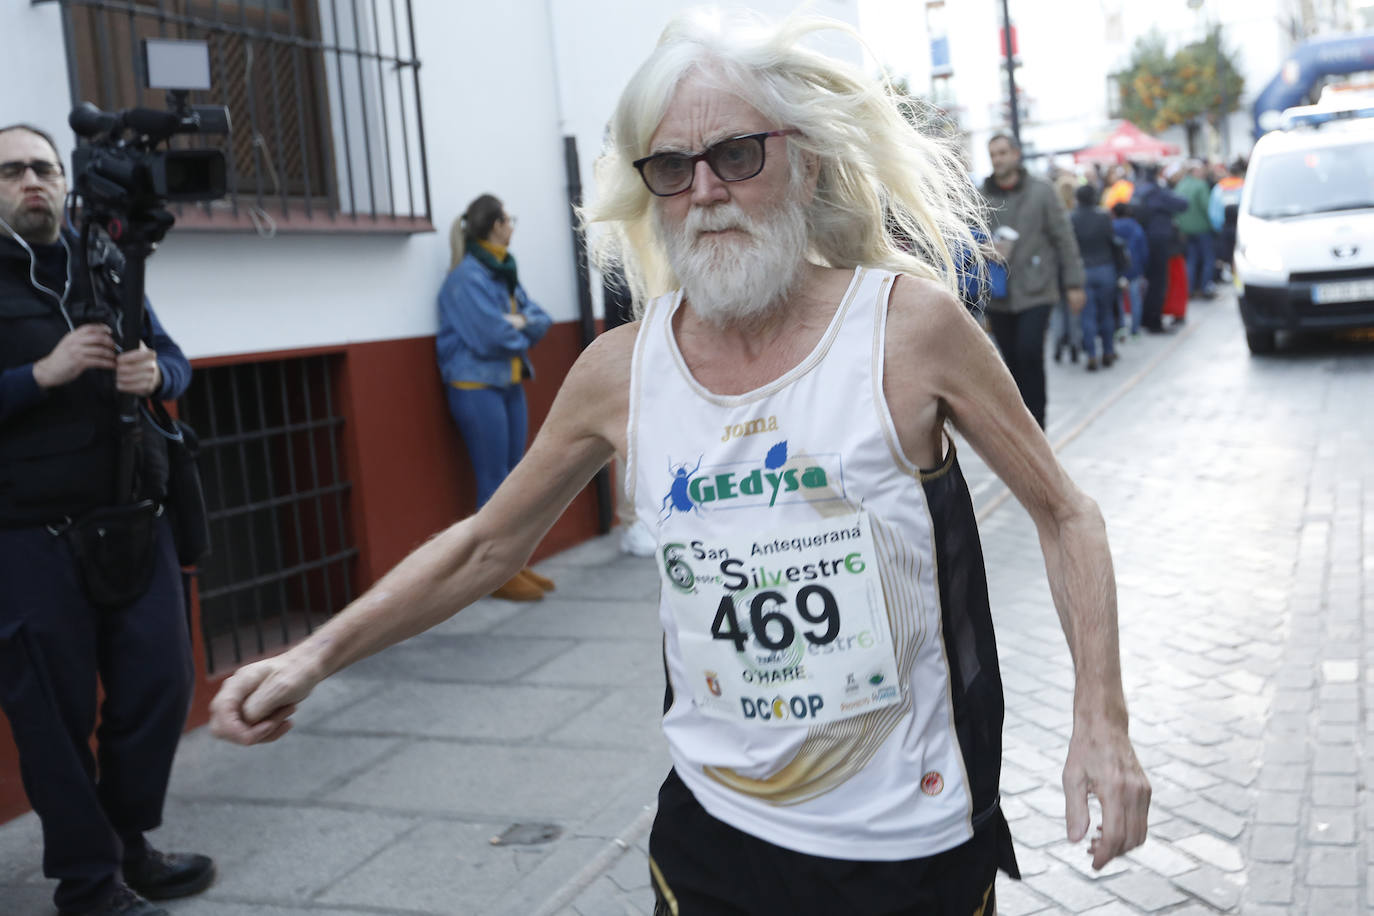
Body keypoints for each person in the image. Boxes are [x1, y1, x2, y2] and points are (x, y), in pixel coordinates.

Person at [210, 12, 1150, 915]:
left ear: (804, 158)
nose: (706, 191)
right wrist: (315, 654)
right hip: (714, 837)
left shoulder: (907, 330)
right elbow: (486, 547)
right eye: (671, 167)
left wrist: (1100, 717)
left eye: (737, 155)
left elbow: (1068, 514)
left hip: (908, 848)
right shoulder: (621, 372)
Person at [0, 124, 213, 916]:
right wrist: (36, 376)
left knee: (159, 686)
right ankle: (88, 884)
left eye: (46, 169)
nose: (34, 181)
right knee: (54, 720)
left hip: (132, 514)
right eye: (14, 169)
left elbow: (174, 353)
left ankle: (128, 845)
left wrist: (161, 371)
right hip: (28, 536)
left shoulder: (107, 259)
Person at [436, 193, 555, 601]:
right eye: (509, 218)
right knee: (494, 480)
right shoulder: (466, 278)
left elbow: (542, 319)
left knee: (513, 478)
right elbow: (491, 337)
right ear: (495, 225)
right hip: (477, 388)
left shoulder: (503, 271)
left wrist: (518, 320)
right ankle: (494, 574)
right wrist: (518, 324)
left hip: (507, 381)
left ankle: (513, 565)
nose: (513, 225)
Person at [981, 134, 1086, 428]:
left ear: (1016, 154)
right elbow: (970, 237)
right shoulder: (983, 194)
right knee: (1010, 363)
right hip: (1000, 293)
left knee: (1030, 352)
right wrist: (985, 248)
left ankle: (1037, 424)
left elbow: (1063, 237)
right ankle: (1020, 426)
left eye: (1003, 152)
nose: (998, 159)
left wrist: (1074, 283)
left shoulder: (1042, 190)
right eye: (993, 154)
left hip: (1037, 288)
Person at [1069, 183, 1123, 371]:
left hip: (1084, 270)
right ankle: (1108, 351)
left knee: (1087, 316)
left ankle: (1091, 354)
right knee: (1106, 312)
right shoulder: (1103, 216)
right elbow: (1112, 240)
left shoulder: (1072, 218)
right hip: (1105, 268)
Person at [1131, 164, 1188, 333]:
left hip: (1143, 240)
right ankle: (1153, 321)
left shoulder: (1138, 190)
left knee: (1149, 283)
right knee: (1158, 283)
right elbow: (1183, 204)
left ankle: (1146, 318)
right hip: (1159, 242)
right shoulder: (1157, 192)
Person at [1172, 161, 1214, 300]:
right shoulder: (1200, 185)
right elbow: (1207, 207)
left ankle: (1189, 289)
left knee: (1191, 260)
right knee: (1208, 258)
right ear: (1195, 171)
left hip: (1185, 230)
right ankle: (1205, 288)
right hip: (1202, 228)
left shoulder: (1180, 185)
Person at [1112, 202, 1150, 338]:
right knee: (1136, 300)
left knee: (1118, 299)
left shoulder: (1112, 227)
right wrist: (1144, 268)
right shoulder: (1136, 227)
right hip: (1135, 268)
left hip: (1117, 269)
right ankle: (1135, 329)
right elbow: (1144, 251)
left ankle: (1121, 325)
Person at [1208, 158, 1245, 283]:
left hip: (1224, 227)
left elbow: (1213, 210)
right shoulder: (1245, 185)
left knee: (1225, 253)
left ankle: (1228, 272)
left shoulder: (1219, 188)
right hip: (1241, 227)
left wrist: (1217, 226)